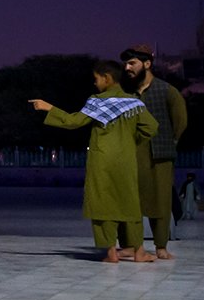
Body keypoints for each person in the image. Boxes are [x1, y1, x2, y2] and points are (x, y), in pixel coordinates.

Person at [32, 61, 158, 262]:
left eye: (97, 79)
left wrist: (49, 108)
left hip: (102, 161)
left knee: (103, 203)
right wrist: (130, 141)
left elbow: (74, 122)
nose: (95, 83)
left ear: (107, 78)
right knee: (130, 203)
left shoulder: (97, 102)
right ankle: (139, 252)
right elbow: (151, 128)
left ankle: (111, 253)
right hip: (125, 161)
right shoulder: (134, 103)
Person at [122, 45, 189, 261]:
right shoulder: (127, 93)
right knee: (130, 199)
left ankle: (161, 246)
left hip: (160, 154)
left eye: (132, 63)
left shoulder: (166, 90)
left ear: (147, 64)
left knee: (161, 200)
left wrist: (170, 143)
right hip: (132, 153)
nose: (127, 68)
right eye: (126, 63)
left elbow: (180, 120)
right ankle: (132, 245)